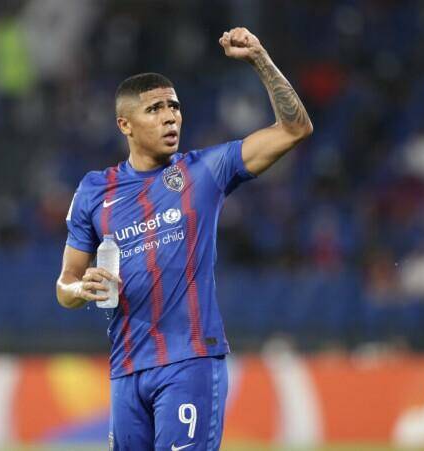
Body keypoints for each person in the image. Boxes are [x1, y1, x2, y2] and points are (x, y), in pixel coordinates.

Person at [56, 27, 312, 451]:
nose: (170, 116)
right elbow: (65, 284)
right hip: (126, 370)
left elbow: (295, 129)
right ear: (125, 124)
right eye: (154, 109)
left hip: (190, 361)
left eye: (174, 106)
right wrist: (80, 289)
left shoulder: (204, 172)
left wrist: (260, 60)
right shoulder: (93, 191)